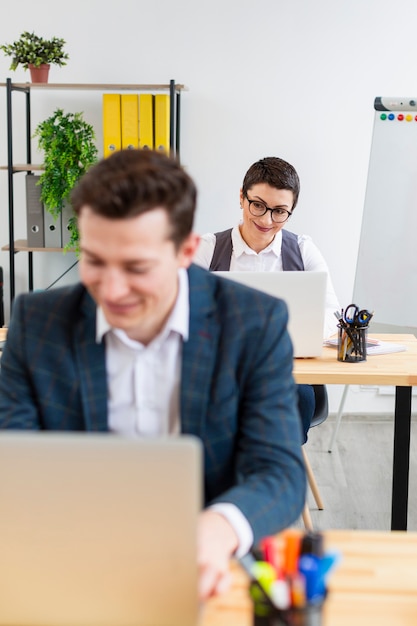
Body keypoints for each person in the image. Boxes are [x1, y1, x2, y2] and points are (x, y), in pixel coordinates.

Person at [0, 149, 305, 601]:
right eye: (95, 261)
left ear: (185, 250)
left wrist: (219, 529)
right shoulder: (37, 321)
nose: (112, 288)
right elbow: (12, 458)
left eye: (137, 267)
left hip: (210, 570)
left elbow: (279, 471)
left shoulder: (254, 323)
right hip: (69, 559)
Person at [194, 156, 341, 442]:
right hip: (221, 375)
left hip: (286, 375)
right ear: (241, 197)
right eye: (258, 205)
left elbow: (332, 313)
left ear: (290, 211)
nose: (266, 220)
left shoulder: (303, 250)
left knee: (297, 398)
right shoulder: (207, 250)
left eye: (279, 211)